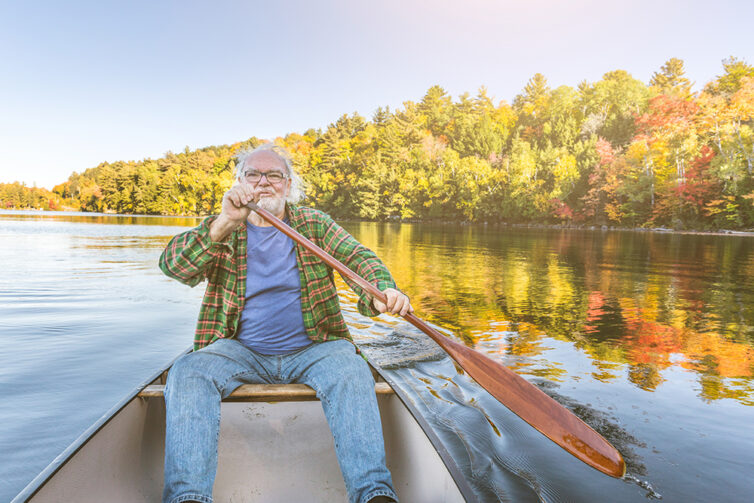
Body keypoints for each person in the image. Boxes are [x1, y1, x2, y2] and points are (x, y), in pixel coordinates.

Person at [158, 143, 412, 503]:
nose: (264, 182)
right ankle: (188, 498)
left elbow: (357, 258)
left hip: (315, 347)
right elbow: (174, 267)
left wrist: (381, 289)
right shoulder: (225, 225)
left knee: (353, 369)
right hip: (240, 351)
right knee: (187, 371)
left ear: (288, 185)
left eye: (274, 175)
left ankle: (374, 494)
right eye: (253, 175)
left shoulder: (312, 223)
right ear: (240, 182)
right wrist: (224, 223)